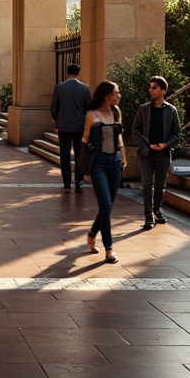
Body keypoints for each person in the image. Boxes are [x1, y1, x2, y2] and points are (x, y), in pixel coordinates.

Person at [81, 80, 127, 264]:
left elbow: (119, 138)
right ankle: (109, 250)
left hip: (115, 162)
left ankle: (92, 233)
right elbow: (84, 141)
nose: (119, 95)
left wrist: (123, 157)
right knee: (106, 206)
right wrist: (84, 168)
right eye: (116, 92)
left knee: (106, 207)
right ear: (107, 95)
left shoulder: (116, 113)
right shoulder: (92, 115)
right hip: (98, 163)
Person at [132, 75, 182, 230]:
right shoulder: (143, 109)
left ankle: (157, 211)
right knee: (147, 185)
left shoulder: (171, 110)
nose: (151, 90)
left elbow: (177, 134)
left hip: (163, 154)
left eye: (154, 87)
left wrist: (165, 145)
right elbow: (135, 130)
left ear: (163, 90)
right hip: (146, 154)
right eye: (150, 87)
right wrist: (146, 143)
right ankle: (148, 215)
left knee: (160, 186)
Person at [50, 64, 91, 192]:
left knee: (65, 154)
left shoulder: (60, 88)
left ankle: (67, 182)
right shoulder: (85, 89)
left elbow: (53, 108)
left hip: (64, 127)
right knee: (79, 155)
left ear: (67, 73)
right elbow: (88, 109)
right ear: (79, 73)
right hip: (79, 127)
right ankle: (78, 182)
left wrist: (58, 121)